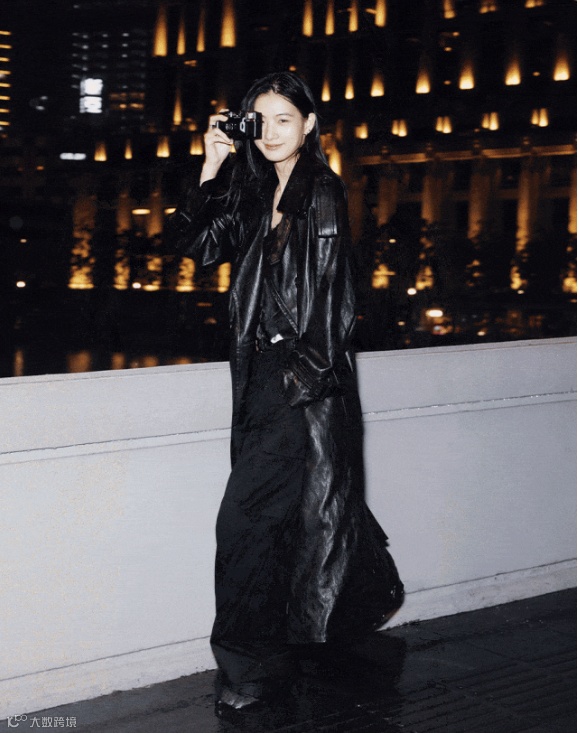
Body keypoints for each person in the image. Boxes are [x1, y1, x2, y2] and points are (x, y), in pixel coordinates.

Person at [167, 71, 403, 713]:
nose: (270, 133)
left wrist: (296, 383)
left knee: (243, 524)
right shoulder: (252, 189)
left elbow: (333, 300)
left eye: (284, 119)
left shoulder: (320, 190)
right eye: (260, 120)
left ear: (309, 126)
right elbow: (197, 247)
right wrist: (211, 166)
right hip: (259, 379)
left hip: (297, 384)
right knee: (285, 521)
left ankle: (248, 667)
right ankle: (322, 628)